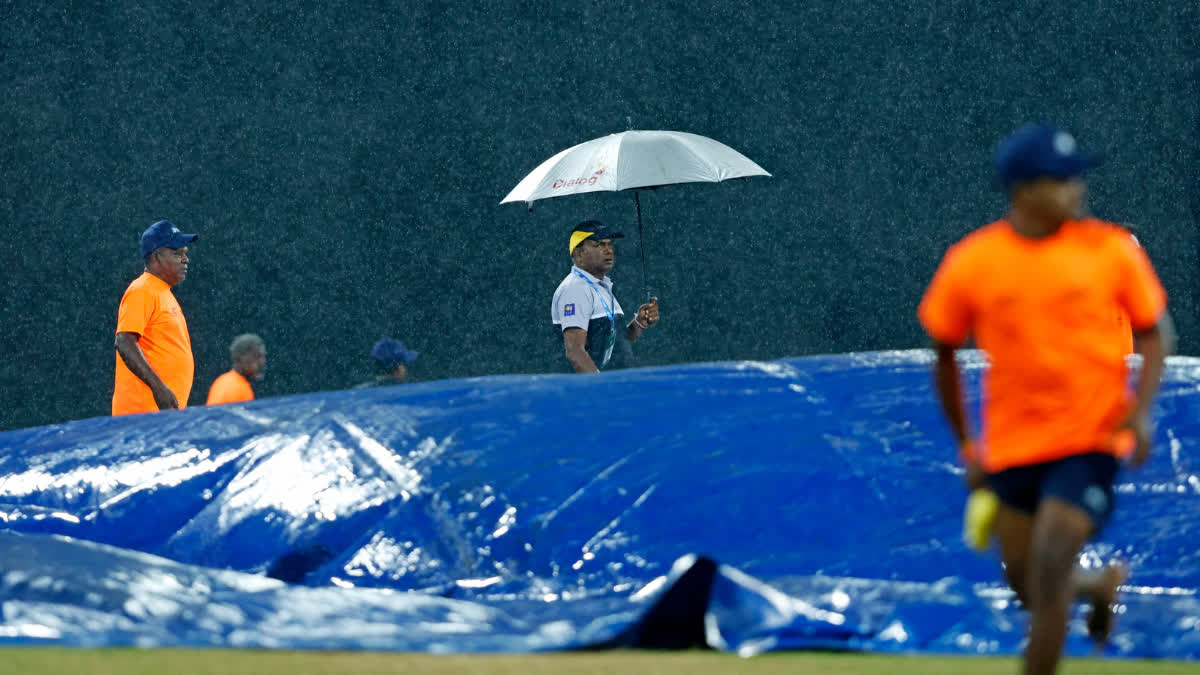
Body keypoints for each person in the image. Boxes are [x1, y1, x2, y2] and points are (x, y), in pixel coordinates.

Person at [918, 123, 1171, 675]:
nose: (1075, 189)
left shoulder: (1111, 250)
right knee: (1030, 584)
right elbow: (942, 351)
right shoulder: (975, 261)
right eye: (1061, 179)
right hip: (1011, 447)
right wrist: (967, 446)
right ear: (1023, 189)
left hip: (1089, 440)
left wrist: (1141, 409)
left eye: (1076, 177)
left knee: (1051, 562)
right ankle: (1098, 586)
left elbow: (1155, 334)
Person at [112, 220, 199, 415]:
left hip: (159, 415)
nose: (186, 260)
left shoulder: (162, 292)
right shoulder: (143, 289)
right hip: (141, 416)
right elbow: (124, 341)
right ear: (157, 256)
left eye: (185, 253)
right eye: (178, 253)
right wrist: (158, 388)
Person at [551, 221, 660, 373]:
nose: (608, 250)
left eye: (609, 244)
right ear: (578, 253)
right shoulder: (575, 289)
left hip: (615, 386)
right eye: (598, 245)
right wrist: (601, 388)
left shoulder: (601, 287)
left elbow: (615, 342)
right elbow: (575, 353)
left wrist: (638, 323)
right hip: (591, 392)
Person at [207, 334, 267, 405]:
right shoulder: (238, 389)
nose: (263, 362)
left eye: (263, 356)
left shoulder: (222, 380)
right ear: (241, 357)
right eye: (257, 356)